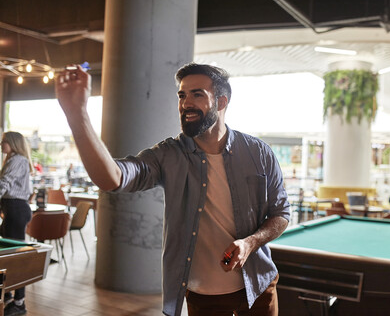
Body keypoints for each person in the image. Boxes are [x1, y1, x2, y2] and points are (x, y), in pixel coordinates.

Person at [55, 63, 290, 316]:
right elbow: (113, 178)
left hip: (258, 287)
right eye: (182, 95)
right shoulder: (168, 154)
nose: (186, 103)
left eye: (197, 94)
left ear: (221, 102)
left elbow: (281, 215)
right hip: (201, 296)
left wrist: (250, 243)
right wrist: (77, 116)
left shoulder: (259, 152)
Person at [0, 131, 34, 316]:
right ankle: (7, 295)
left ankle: (19, 303)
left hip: (16, 210)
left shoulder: (17, 160)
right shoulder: (13, 159)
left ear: (13, 143)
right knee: (7, 254)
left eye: (4, 141)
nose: (1, 143)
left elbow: (4, 183)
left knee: (15, 257)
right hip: (13, 209)